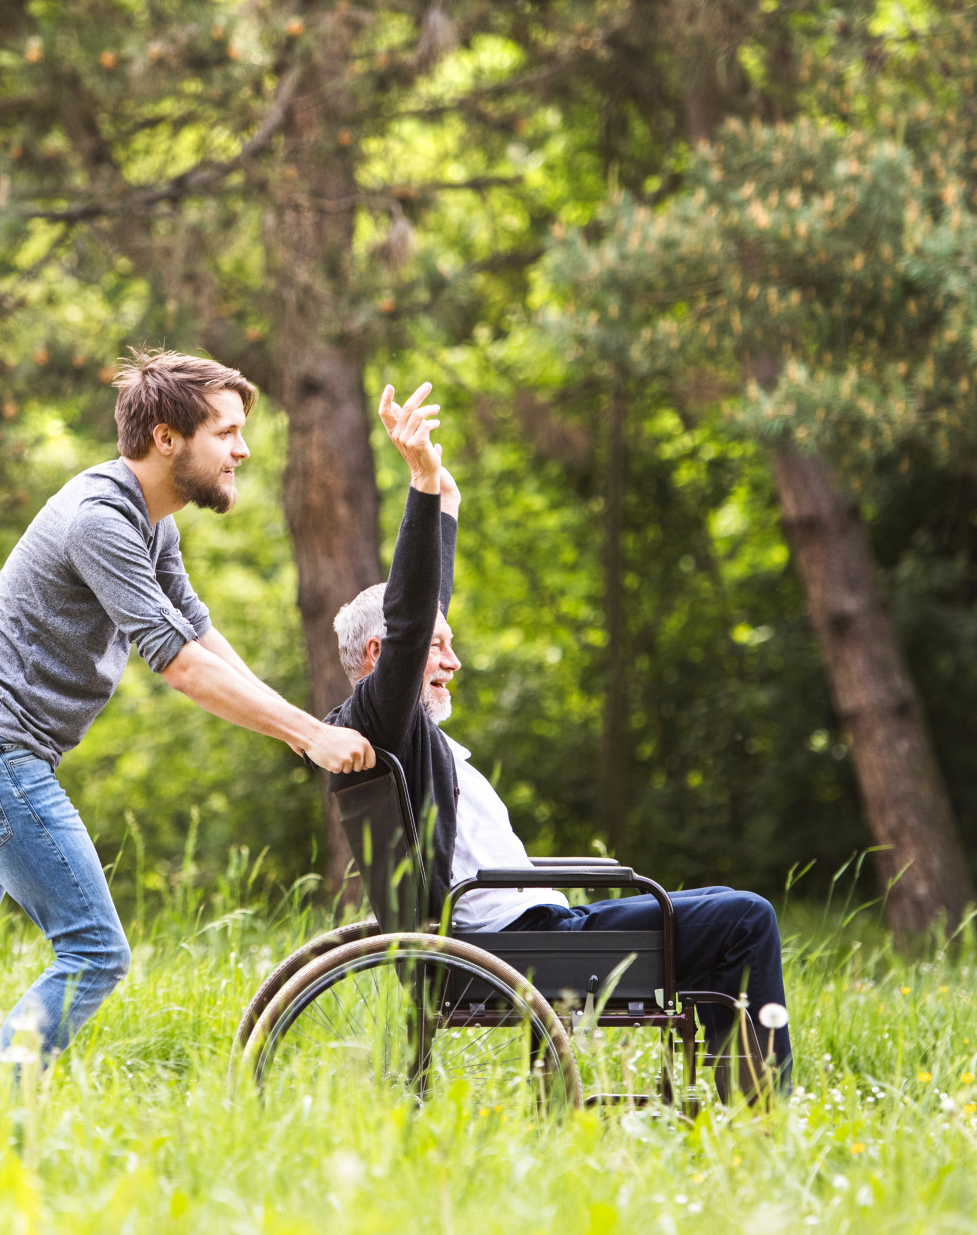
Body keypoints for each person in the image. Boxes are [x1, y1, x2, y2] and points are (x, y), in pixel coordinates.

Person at [0, 350, 374, 1090]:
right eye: (227, 432)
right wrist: (309, 737)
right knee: (94, 952)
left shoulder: (150, 523)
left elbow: (202, 635)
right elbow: (177, 663)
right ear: (168, 437)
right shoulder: (99, 520)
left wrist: (308, 725)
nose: (243, 449)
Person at [326, 380, 791, 1086]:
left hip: (531, 938)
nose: (453, 658)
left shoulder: (402, 731)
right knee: (743, 919)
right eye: (437, 645)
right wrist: (421, 486)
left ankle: (738, 1097)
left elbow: (424, 606)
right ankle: (760, 1110)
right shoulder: (383, 722)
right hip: (519, 952)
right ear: (379, 659)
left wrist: (444, 499)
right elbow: (413, 612)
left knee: (720, 916)